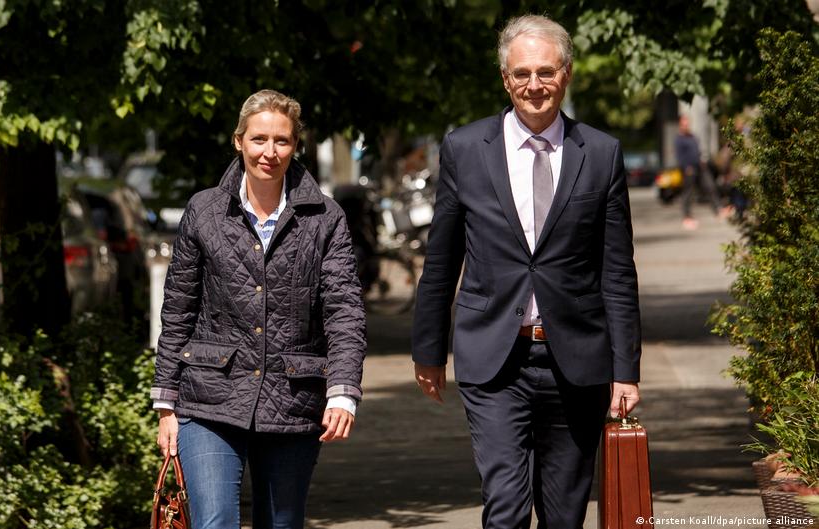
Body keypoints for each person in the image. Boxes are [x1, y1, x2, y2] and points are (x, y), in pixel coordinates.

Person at [411, 15, 641, 529]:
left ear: (567, 74)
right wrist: (428, 350)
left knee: (564, 515)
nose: (533, 85)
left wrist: (626, 369)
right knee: (507, 507)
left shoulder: (601, 154)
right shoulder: (465, 149)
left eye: (545, 72)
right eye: (521, 74)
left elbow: (617, 271)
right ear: (504, 79)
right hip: (493, 358)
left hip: (576, 362)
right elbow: (442, 259)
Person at [151, 89, 365, 529]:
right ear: (239, 141)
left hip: (292, 399)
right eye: (259, 139)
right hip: (209, 395)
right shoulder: (204, 211)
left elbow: (344, 310)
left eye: (281, 141)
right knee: (214, 522)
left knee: (282, 523)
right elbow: (178, 310)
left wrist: (343, 390)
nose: (270, 152)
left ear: (295, 146)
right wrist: (166, 405)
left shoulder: (325, 218)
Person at [675, 114, 724, 230]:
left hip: (700, 167)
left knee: (710, 186)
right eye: (684, 123)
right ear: (680, 125)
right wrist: (686, 167)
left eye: (687, 123)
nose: (686, 125)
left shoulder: (692, 136)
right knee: (688, 193)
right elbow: (679, 156)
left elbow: (697, 150)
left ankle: (718, 210)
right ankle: (687, 217)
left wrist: (701, 160)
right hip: (689, 170)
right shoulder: (679, 139)